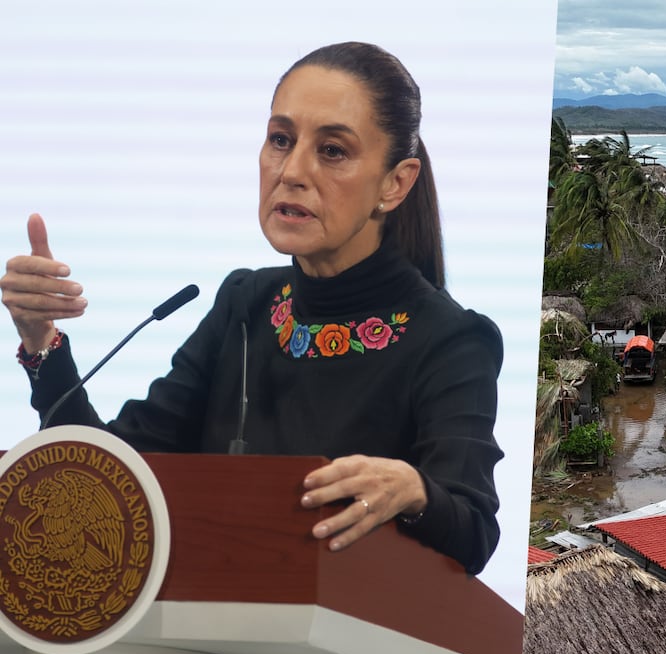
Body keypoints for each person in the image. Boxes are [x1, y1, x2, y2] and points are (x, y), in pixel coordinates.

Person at [0, 42, 502, 575]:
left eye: (332, 150)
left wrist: (415, 490)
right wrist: (40, 338)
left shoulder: (450, 339)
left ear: (395, 183)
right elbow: (104, 477)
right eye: (281, 140)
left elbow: (473, 530)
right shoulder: (245, 302)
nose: (292, 171)